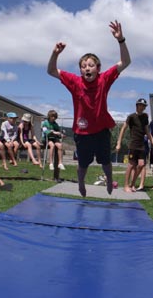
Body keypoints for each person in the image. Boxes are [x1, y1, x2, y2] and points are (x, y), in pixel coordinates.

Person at [47, 20, 131, 197]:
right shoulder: (75, 81)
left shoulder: (104, 79)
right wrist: (55, 54)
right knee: (83, 164)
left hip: (101, 130)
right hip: (82, 132)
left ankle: (108, 179)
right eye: (84, 66)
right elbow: (52, 71)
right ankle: (81, 183)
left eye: (91, 65)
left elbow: (125, 62)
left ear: (98, 68)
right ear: (80, 70)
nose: (87, 68)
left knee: (106, 162)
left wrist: (121, 39)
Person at [116, 98, 153, 192]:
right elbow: (123, 129)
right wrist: (119, 143)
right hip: (133, 144)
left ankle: (132, 184)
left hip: (142, 145)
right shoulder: (131, 117)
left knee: (141, 164)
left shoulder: (145, 117)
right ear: (137, 106)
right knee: (131, 165)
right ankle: (126, 185)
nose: (142, 107)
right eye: (141, 105)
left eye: (144, 106)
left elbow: (147, 131)